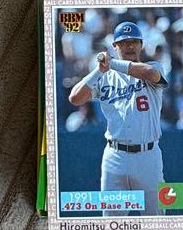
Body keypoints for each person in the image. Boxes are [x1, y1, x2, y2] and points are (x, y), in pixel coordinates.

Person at [67, 20, 167, 216]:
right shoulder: (104, 77)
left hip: (148, 156)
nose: (130, 46)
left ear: (141, 44)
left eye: (134, 41)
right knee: (112, 221)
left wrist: (111, 63)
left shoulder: (154, 66)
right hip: (115, 156)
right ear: (115, 46)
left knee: (155, 220)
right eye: (124, 42)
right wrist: (99, 70)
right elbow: (75, 98)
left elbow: (149, 73)